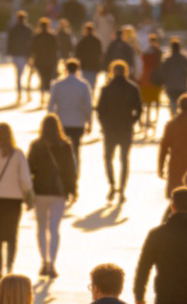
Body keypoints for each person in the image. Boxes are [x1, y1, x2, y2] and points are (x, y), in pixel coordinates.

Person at [0, 121, 32, 280]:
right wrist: (28, 195)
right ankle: (9, 267)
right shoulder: (18, 154)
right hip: (14, 200)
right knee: (11, 235)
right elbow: (25, 179)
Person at [27, 113, 77, 278]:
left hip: (40, 191)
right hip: (58, 192)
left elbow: (29, 169)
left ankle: (44, 262)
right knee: (54, 229)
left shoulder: (36, 146)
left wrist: (29, 190)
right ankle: (53, 264)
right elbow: (70, 170)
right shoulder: (65, 145)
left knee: (41, 228)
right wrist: (73, 189)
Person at [95, 60, 141, 202]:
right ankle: (122, 188)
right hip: (126, 128)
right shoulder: (132, 88)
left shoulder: (106, 89)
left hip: (110, 129)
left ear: (112, 71)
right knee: (124, 160)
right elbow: (138, 109)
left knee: (108, 158)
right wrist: (132, 122)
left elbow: (100, 110)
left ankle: (112, 185)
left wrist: (104, 124)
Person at [47, 59, 93, 171]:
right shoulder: (83, 85)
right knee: (76, 149)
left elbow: (51, 104)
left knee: (60, 149)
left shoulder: (57, 85)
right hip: (78, 122)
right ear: (77, 69)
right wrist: (89, 122)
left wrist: (51, 120)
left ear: (65, 69)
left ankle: (62, 171)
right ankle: (75, 172)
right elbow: (88, 106)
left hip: (61, 122)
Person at [158, 38, 187, 112]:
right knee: (181, 105)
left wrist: (163, 82)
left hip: (170, 86)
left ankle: (173, 117)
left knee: (172, 102)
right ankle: (179, 118)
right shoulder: (184, 59)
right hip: (182, 86)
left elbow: (163, 72)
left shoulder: (167, 60)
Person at [29, 18, 59, 107]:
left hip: (40, 60)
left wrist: (32, 60)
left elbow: (33, 49)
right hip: (50, 61)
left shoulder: (37, 37)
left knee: (42, 78)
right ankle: (48, 96)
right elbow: (56, 49)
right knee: (49, 78)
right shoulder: (52, 36)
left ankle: (42, 96)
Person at [138, 33, 163, 134]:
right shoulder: (158, 52)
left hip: (146, 79)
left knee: (146, 102)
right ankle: (153, 120)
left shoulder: (145, 52)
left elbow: (141, 63)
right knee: (155, 101)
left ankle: (146, 120)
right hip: (155, 80)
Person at [6, 11, 33, 100]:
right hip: (23, 53)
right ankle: (23, 91)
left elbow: (10, 41)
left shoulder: (14, 29)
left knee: (19, 73)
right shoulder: (27, 29)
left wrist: (9, 51)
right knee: (23, 73)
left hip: (18, 53)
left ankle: (20, 91)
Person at [74, 22, 103, 96]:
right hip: (94, 65)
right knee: (93, 83)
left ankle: (87, 98)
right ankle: (91, 97)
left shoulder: (83, 41)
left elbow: (77, 53)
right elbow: (100, 53)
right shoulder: (97, 41)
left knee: (85, 83)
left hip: (85, 65)